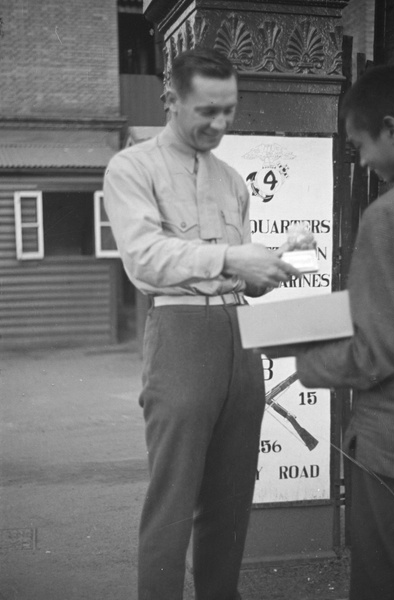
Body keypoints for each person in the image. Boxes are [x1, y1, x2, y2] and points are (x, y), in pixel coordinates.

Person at [103, 48, 302, 600]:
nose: (220, 124)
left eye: (229, 111)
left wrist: (277, 262)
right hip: (179, 335)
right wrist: (233, 260)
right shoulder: (131, 168)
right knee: (172, 502)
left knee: (233, 498)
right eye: (207, 111)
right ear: (172, 100)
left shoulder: (234, 182)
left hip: (241, 339)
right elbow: (144, 256)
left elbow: (242, 274)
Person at [293, 65, 394, 600]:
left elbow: (377, 351)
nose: (361, 161)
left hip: (390, 448)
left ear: (392, 128)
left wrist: (306, 361)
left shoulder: (386, 218)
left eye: (360, 145)